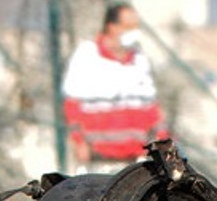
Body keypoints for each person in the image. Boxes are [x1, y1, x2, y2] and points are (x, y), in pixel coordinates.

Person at [61, 2, 167, 173]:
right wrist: (79, 142)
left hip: (136, 161)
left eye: (136, 26)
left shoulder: (139, 60)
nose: (134, 32)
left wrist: (162, 142)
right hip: (97, 161)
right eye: (128, 26)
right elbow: (72, 107)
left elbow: (152, 110)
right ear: (111, 27)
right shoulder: (87, 56)